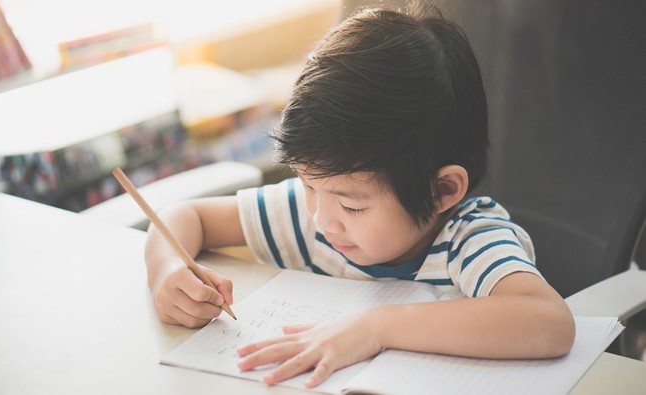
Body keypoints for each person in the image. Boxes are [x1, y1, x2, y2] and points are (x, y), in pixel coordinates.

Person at [144, 3, 576, 389]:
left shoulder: (470, 240)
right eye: (308, 184)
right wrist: (167, 270)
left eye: (353, 205)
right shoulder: (307, 213)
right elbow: (185, 217)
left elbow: (551, 323)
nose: (323, 219)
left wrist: (376, 328)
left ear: (441, 190)